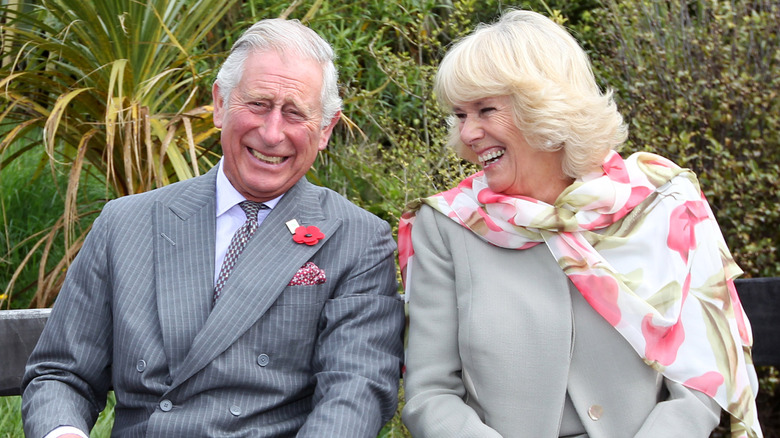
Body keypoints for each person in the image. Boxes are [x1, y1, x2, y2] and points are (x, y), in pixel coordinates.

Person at [22, 18, 405, 438]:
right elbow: (61, 374)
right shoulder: (126, 224)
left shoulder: (357, 239)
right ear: (220, 104)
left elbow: (355, 391)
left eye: (294, 113)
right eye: (258, 104)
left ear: (326, 129)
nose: (272, 132)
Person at [397, 9, 762, 438]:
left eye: (485, 110)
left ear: (544, 107)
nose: (469, 134)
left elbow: (701, 380)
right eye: (460, 115)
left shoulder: (664, 202)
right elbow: (431, 393)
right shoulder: (447, 225)